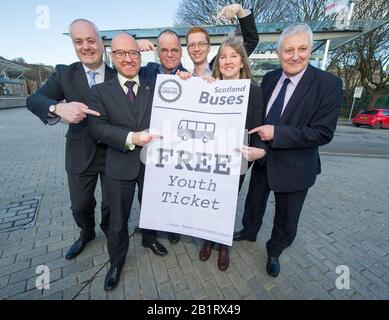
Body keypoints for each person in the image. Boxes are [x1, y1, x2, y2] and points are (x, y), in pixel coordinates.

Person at [233, 23, 343, 277]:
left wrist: (278, 133)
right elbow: (257, 115)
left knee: (286, 218)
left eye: (302, 49)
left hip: (296, 167)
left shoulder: (328, 84)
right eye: (288, 50)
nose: (295, 56)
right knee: (254, 203)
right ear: (279, 52)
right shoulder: (270, 78)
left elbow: (323, 133)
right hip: (263, 160)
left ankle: (275, 250)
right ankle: (249, 232)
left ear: (310, 49)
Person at [26, 19, 116, 260]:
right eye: (79, 41)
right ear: (74, 45)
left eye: (90, 40)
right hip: (80, 152)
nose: (85, 46)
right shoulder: (65, 74)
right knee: (80, 205)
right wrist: (57, 108)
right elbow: (34, 100)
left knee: (110, 204)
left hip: (112, 154)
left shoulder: (118, 74)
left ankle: (109, 230)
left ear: (101, 43)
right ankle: (86, 233)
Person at [178, 34, 267, 271]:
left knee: (227, 201)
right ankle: (208, 238)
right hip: (209, 156)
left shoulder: (254, 90)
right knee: (210, 200)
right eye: (223, 57)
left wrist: (259, 150)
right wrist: (187, 81)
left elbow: (257, 126)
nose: (228, 61)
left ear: (242, 61)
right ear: (218, 63)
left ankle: (223, 243)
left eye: (234, 56)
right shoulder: (210, 84)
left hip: (237, 158)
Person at [88, 33, 162, 290]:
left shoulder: (156, 85)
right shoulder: (99, 91)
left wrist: (188, 78)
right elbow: (97, 128)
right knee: (118, 220)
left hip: (152, 163)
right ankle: (116, 261)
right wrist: (132, 137)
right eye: (121, 53)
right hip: (119, 165)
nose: (128, 59)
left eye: (134, 53)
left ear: (141, 56)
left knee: (152, 208)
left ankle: (149, 239)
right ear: (112, 56)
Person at [186, 3, 259, 77]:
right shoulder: (185, 79)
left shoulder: (222, 66)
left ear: (209, 47)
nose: (196, 49)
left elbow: (251, 41)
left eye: (201, 44)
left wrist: (240, 11)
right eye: (191, 45)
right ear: (187, 49)